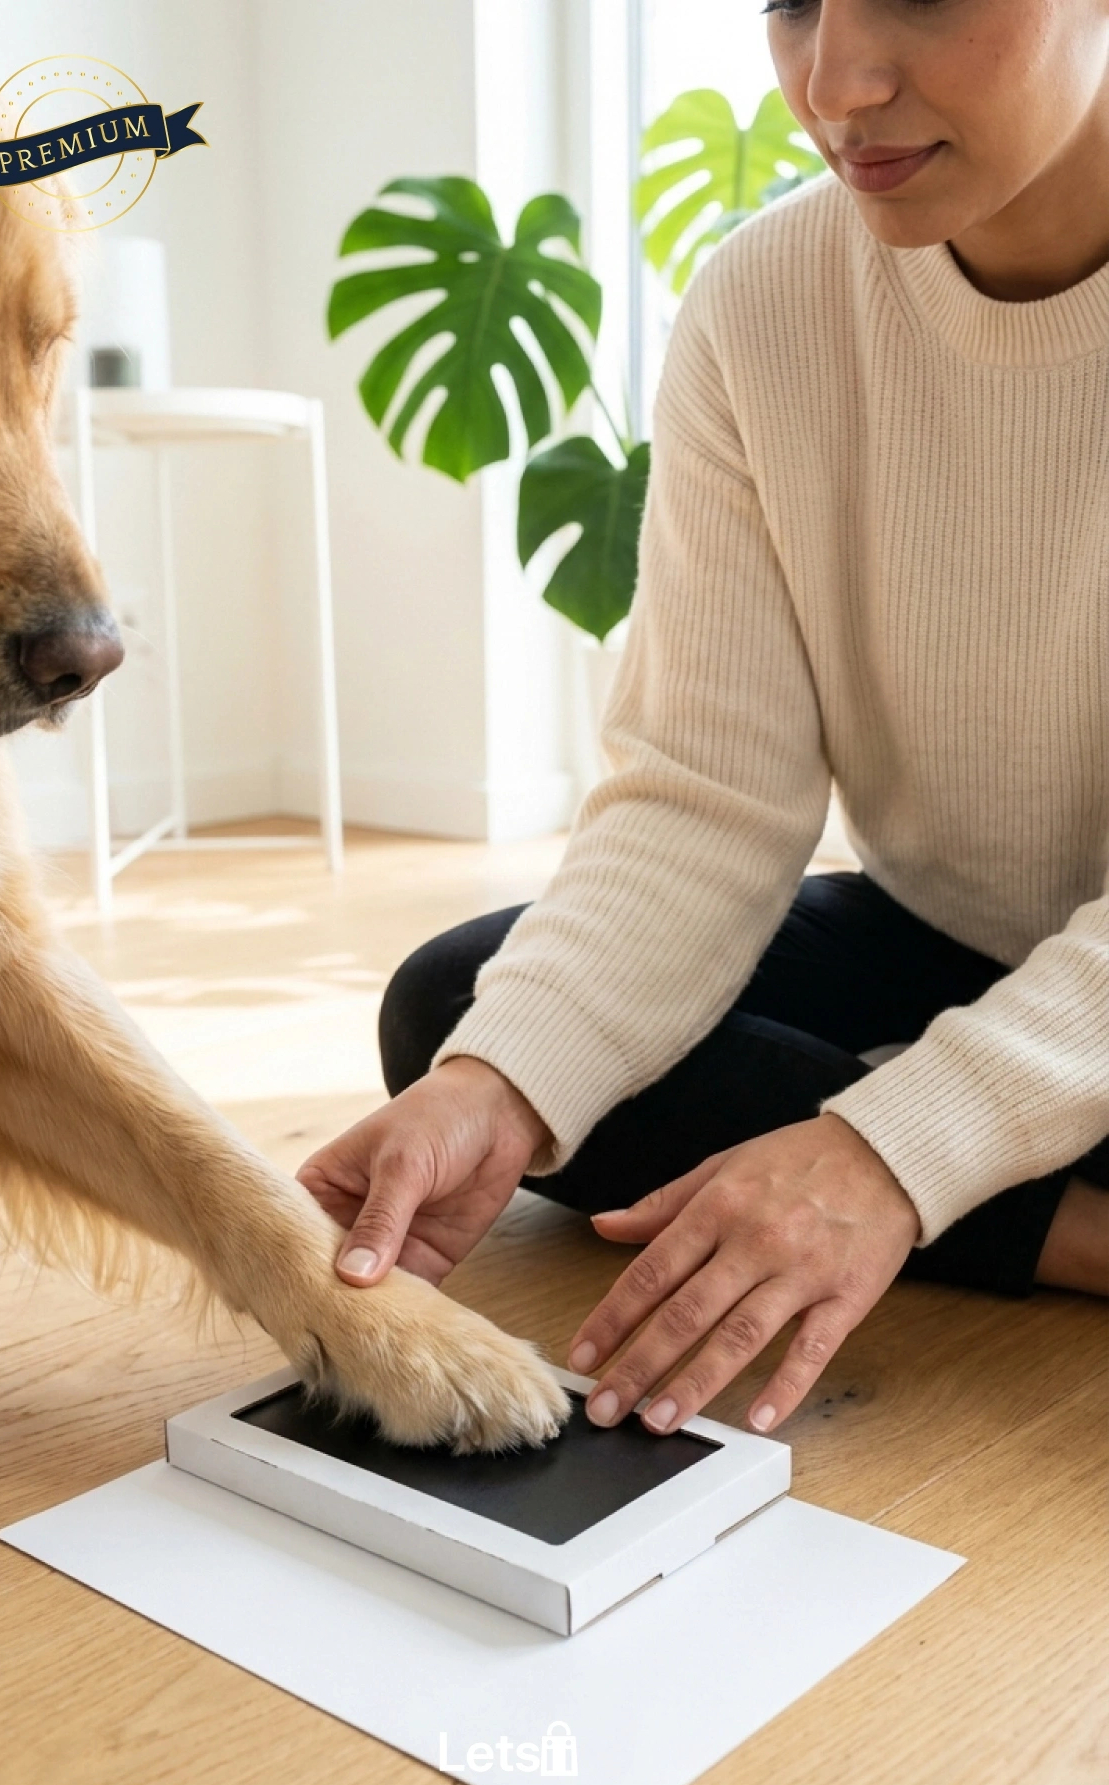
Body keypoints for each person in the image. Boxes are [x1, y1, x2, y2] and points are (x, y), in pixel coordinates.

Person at [299, 0, 1109, 1444]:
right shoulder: (766, 301)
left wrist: (883, 1155)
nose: (836, 82)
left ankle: (959, 1177)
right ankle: (1067, 1226)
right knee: (466, 1019)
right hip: (962, 939)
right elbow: (705, 796)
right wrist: (495, 1085)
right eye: (793, 2)